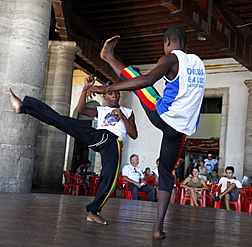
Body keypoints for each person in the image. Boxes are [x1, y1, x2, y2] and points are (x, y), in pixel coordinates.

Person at [89, 25, 206, 239]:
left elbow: (148, 80)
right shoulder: (198, 63)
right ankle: (158, 228)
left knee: (135, 76)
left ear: (167, 42)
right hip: (181, 131)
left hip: (162, 116)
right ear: (186, 45)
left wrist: (108, 89)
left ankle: (107, 56)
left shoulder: (170, 58)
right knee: (166, 175)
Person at [8, 75, 138, 225]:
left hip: (113, 142)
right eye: (110, 93)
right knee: (62, 121)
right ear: (105, 96)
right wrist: (85, 89)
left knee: (109, 178)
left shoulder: (127, 112)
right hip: (100, 136)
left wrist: (122, 116)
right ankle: (24, 106)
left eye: (116, 93)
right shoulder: (100, 110)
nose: (114, 96)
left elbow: (134, 134)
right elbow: (81, 110)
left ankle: (93, 212)